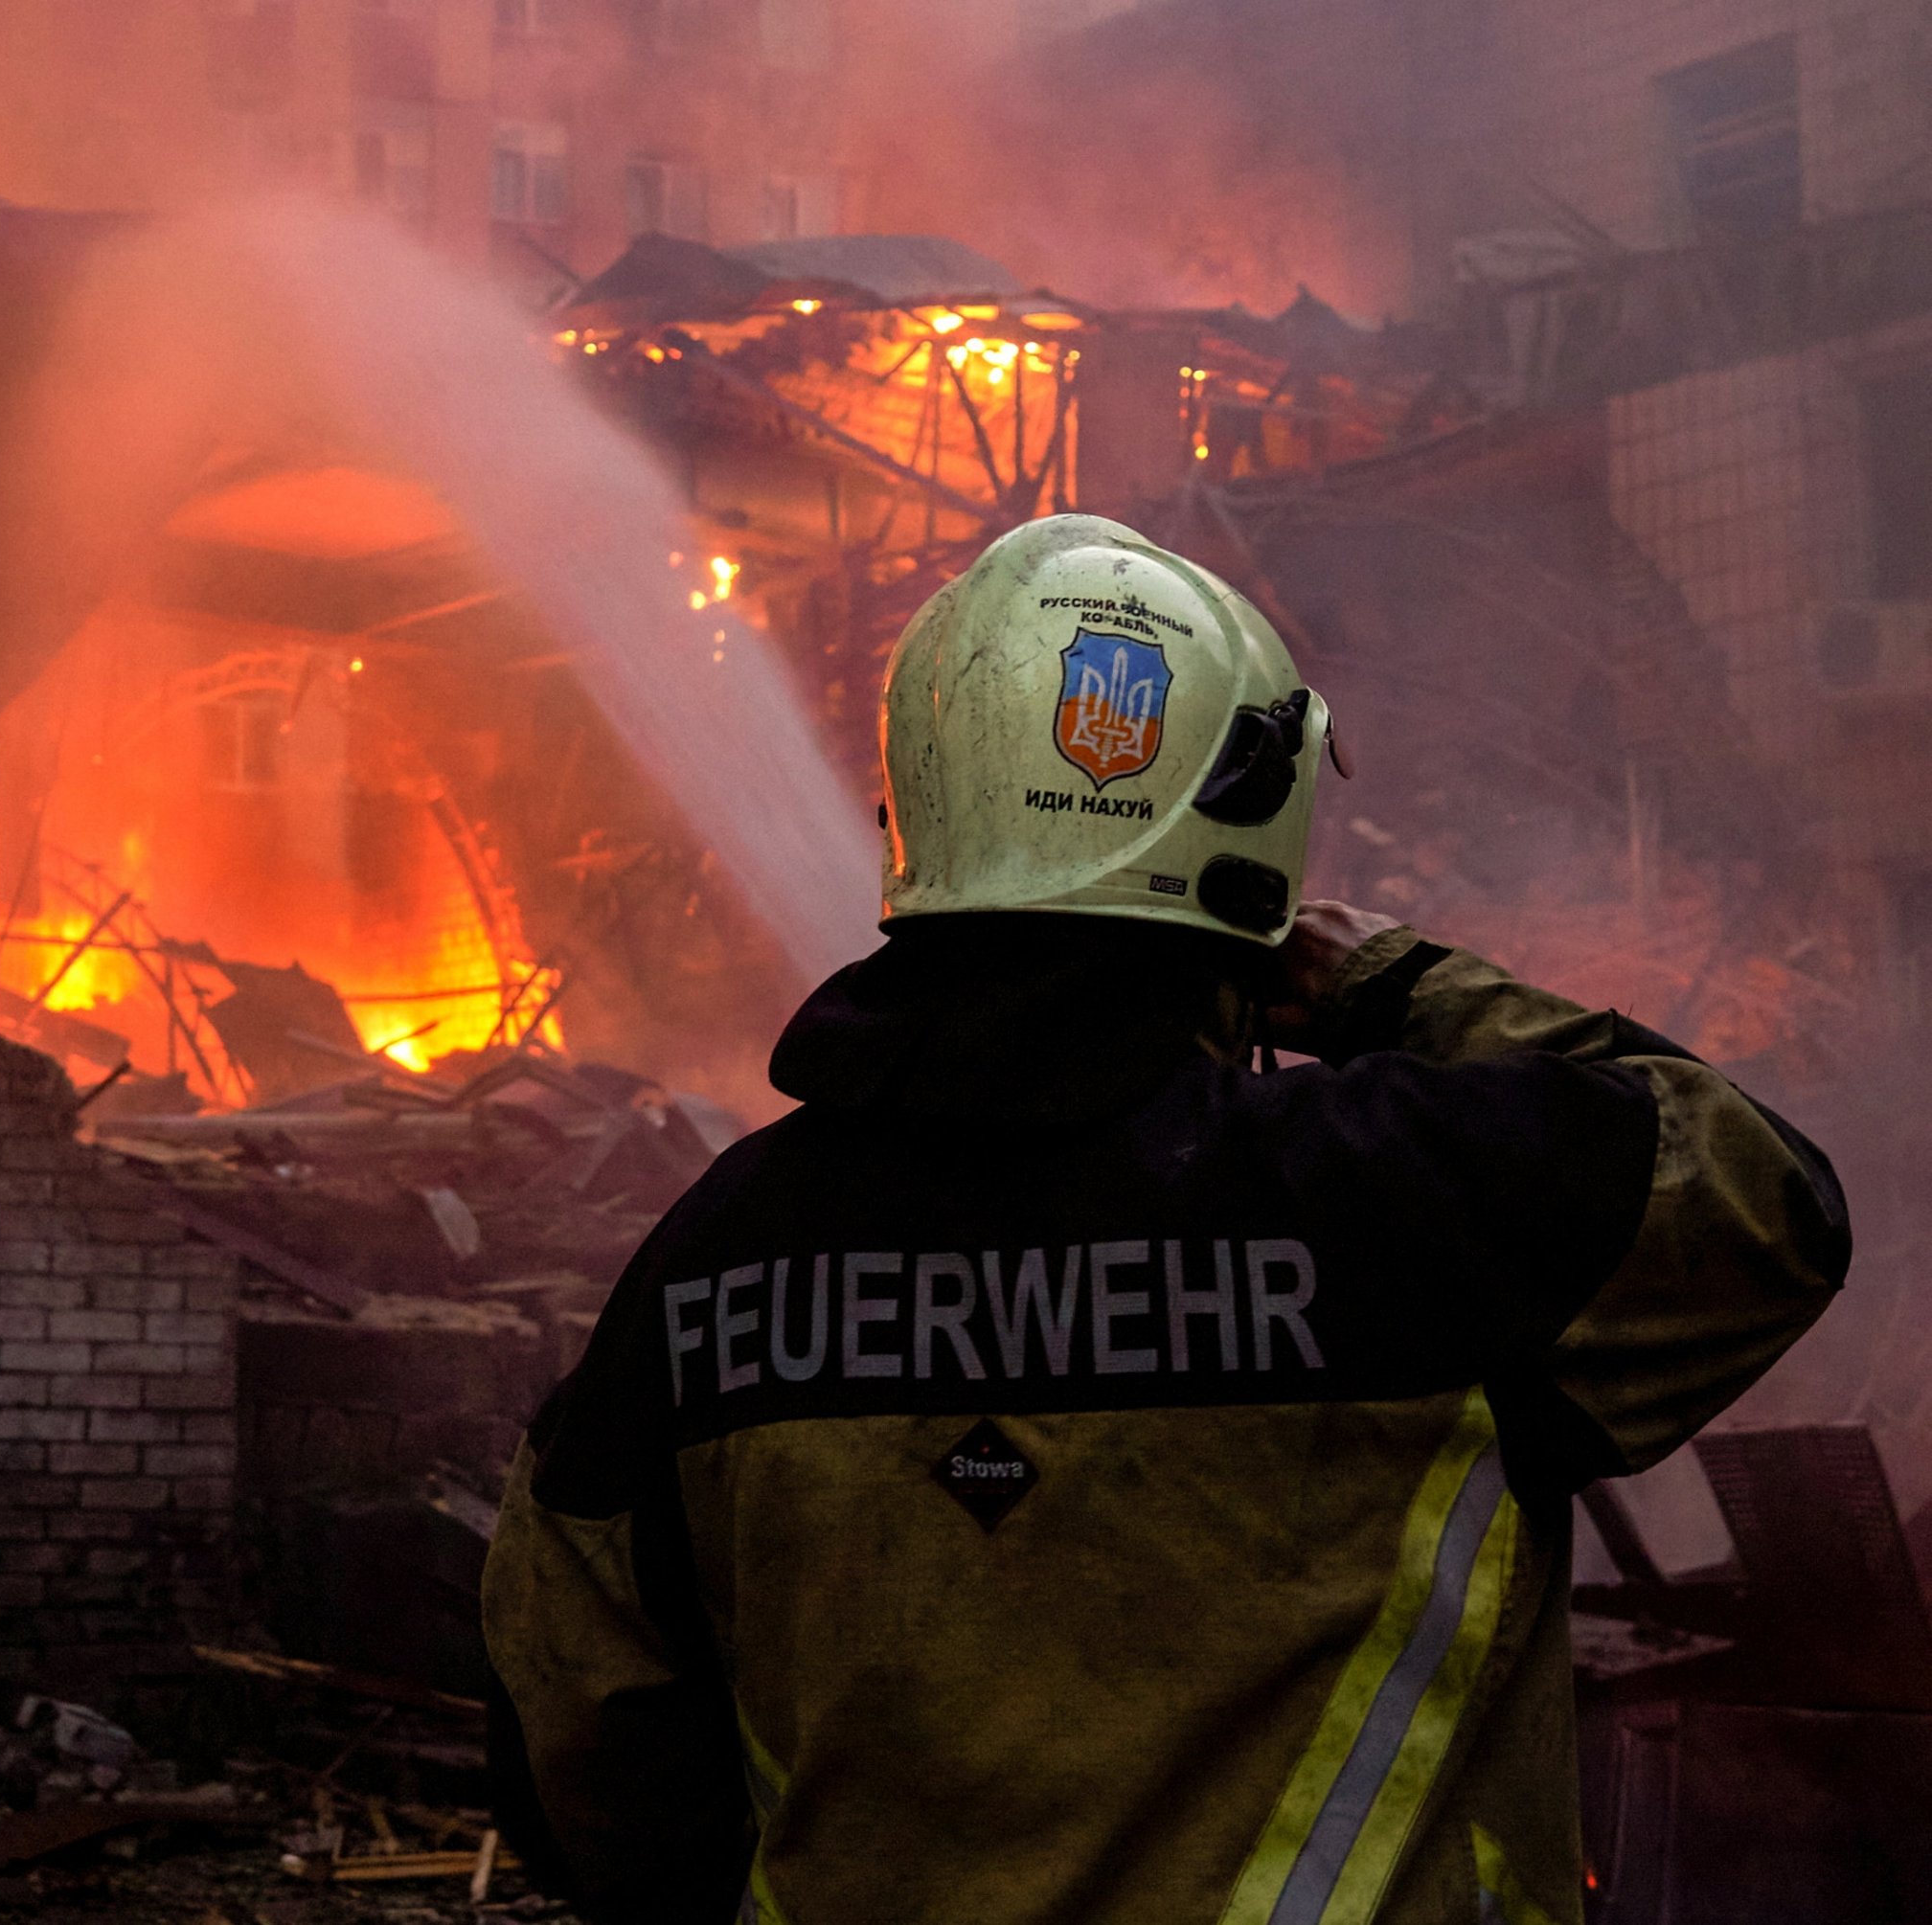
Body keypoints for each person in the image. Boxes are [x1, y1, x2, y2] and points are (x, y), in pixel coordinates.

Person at [480, 515, 1849, 1925]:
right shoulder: (1407, 1191)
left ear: (925, 802)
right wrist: (1390, 987)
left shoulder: (713, 1261)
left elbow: (574, 1722)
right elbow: (1766, 1197)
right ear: (1257, 829)